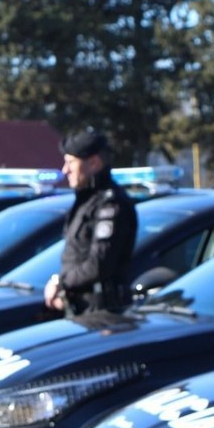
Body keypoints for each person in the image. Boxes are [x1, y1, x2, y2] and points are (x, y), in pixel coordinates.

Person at [44, 130, 138, 317]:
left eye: (71, 162)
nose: (65, 170)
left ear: (94, 163)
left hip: (103, 314)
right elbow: (76, 255)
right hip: (82, 310)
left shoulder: (111, 204)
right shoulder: (88, 201)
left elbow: (98, 265)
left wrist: (61, 282)